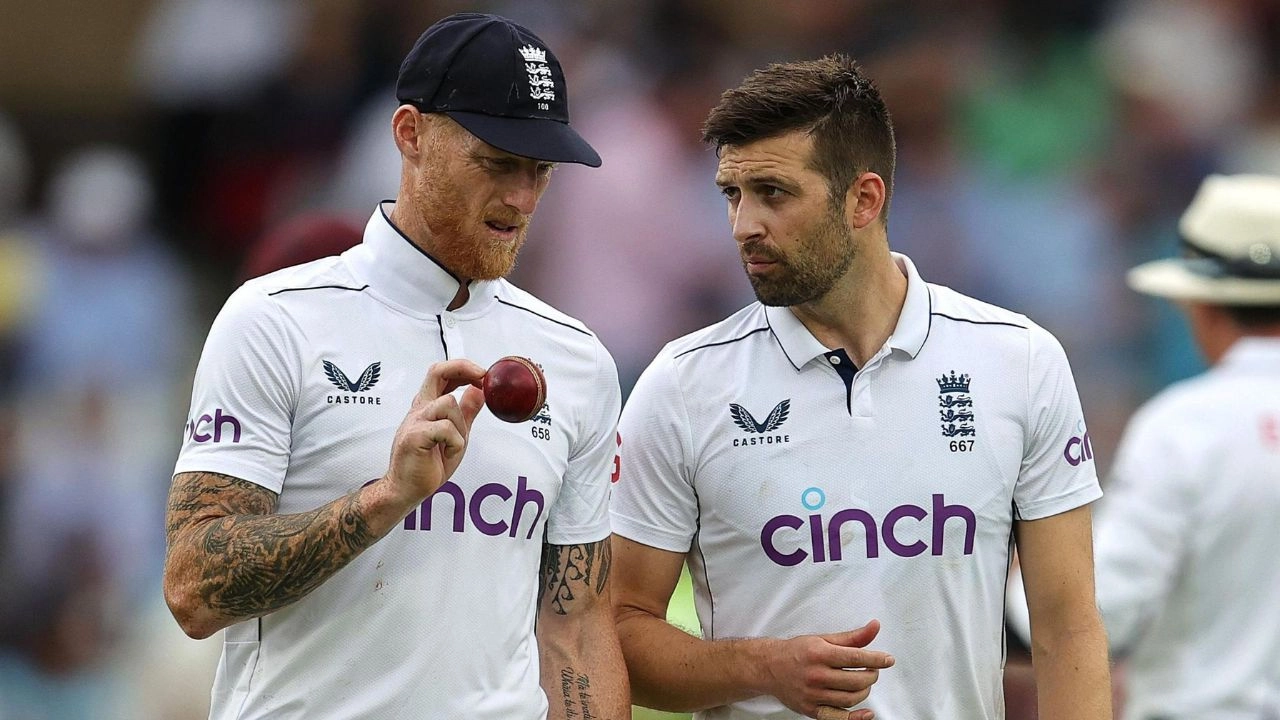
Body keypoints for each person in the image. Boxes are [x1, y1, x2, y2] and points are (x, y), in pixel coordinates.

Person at [609, 54, 1111, 720]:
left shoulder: (1019, 360)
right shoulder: (681, 384)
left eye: (773, 193)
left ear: (863, 200)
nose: (743, 225)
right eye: (732, 194)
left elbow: (1067, 627)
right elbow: (617, 630)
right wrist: (761, 668)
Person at [163, 13, 629, 719]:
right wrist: (385, 499)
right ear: (410, 134)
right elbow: (194, 590)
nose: (523, 198)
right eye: (498, 161)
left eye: (541, 170)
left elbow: (577, 626)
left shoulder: (577, 359)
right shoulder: (274, 318)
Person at [1009, 173, 1280, 719]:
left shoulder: (1185, 427)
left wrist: (1016, 569)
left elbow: (1098, 608)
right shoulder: (1184, 426)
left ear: (1200, 305)